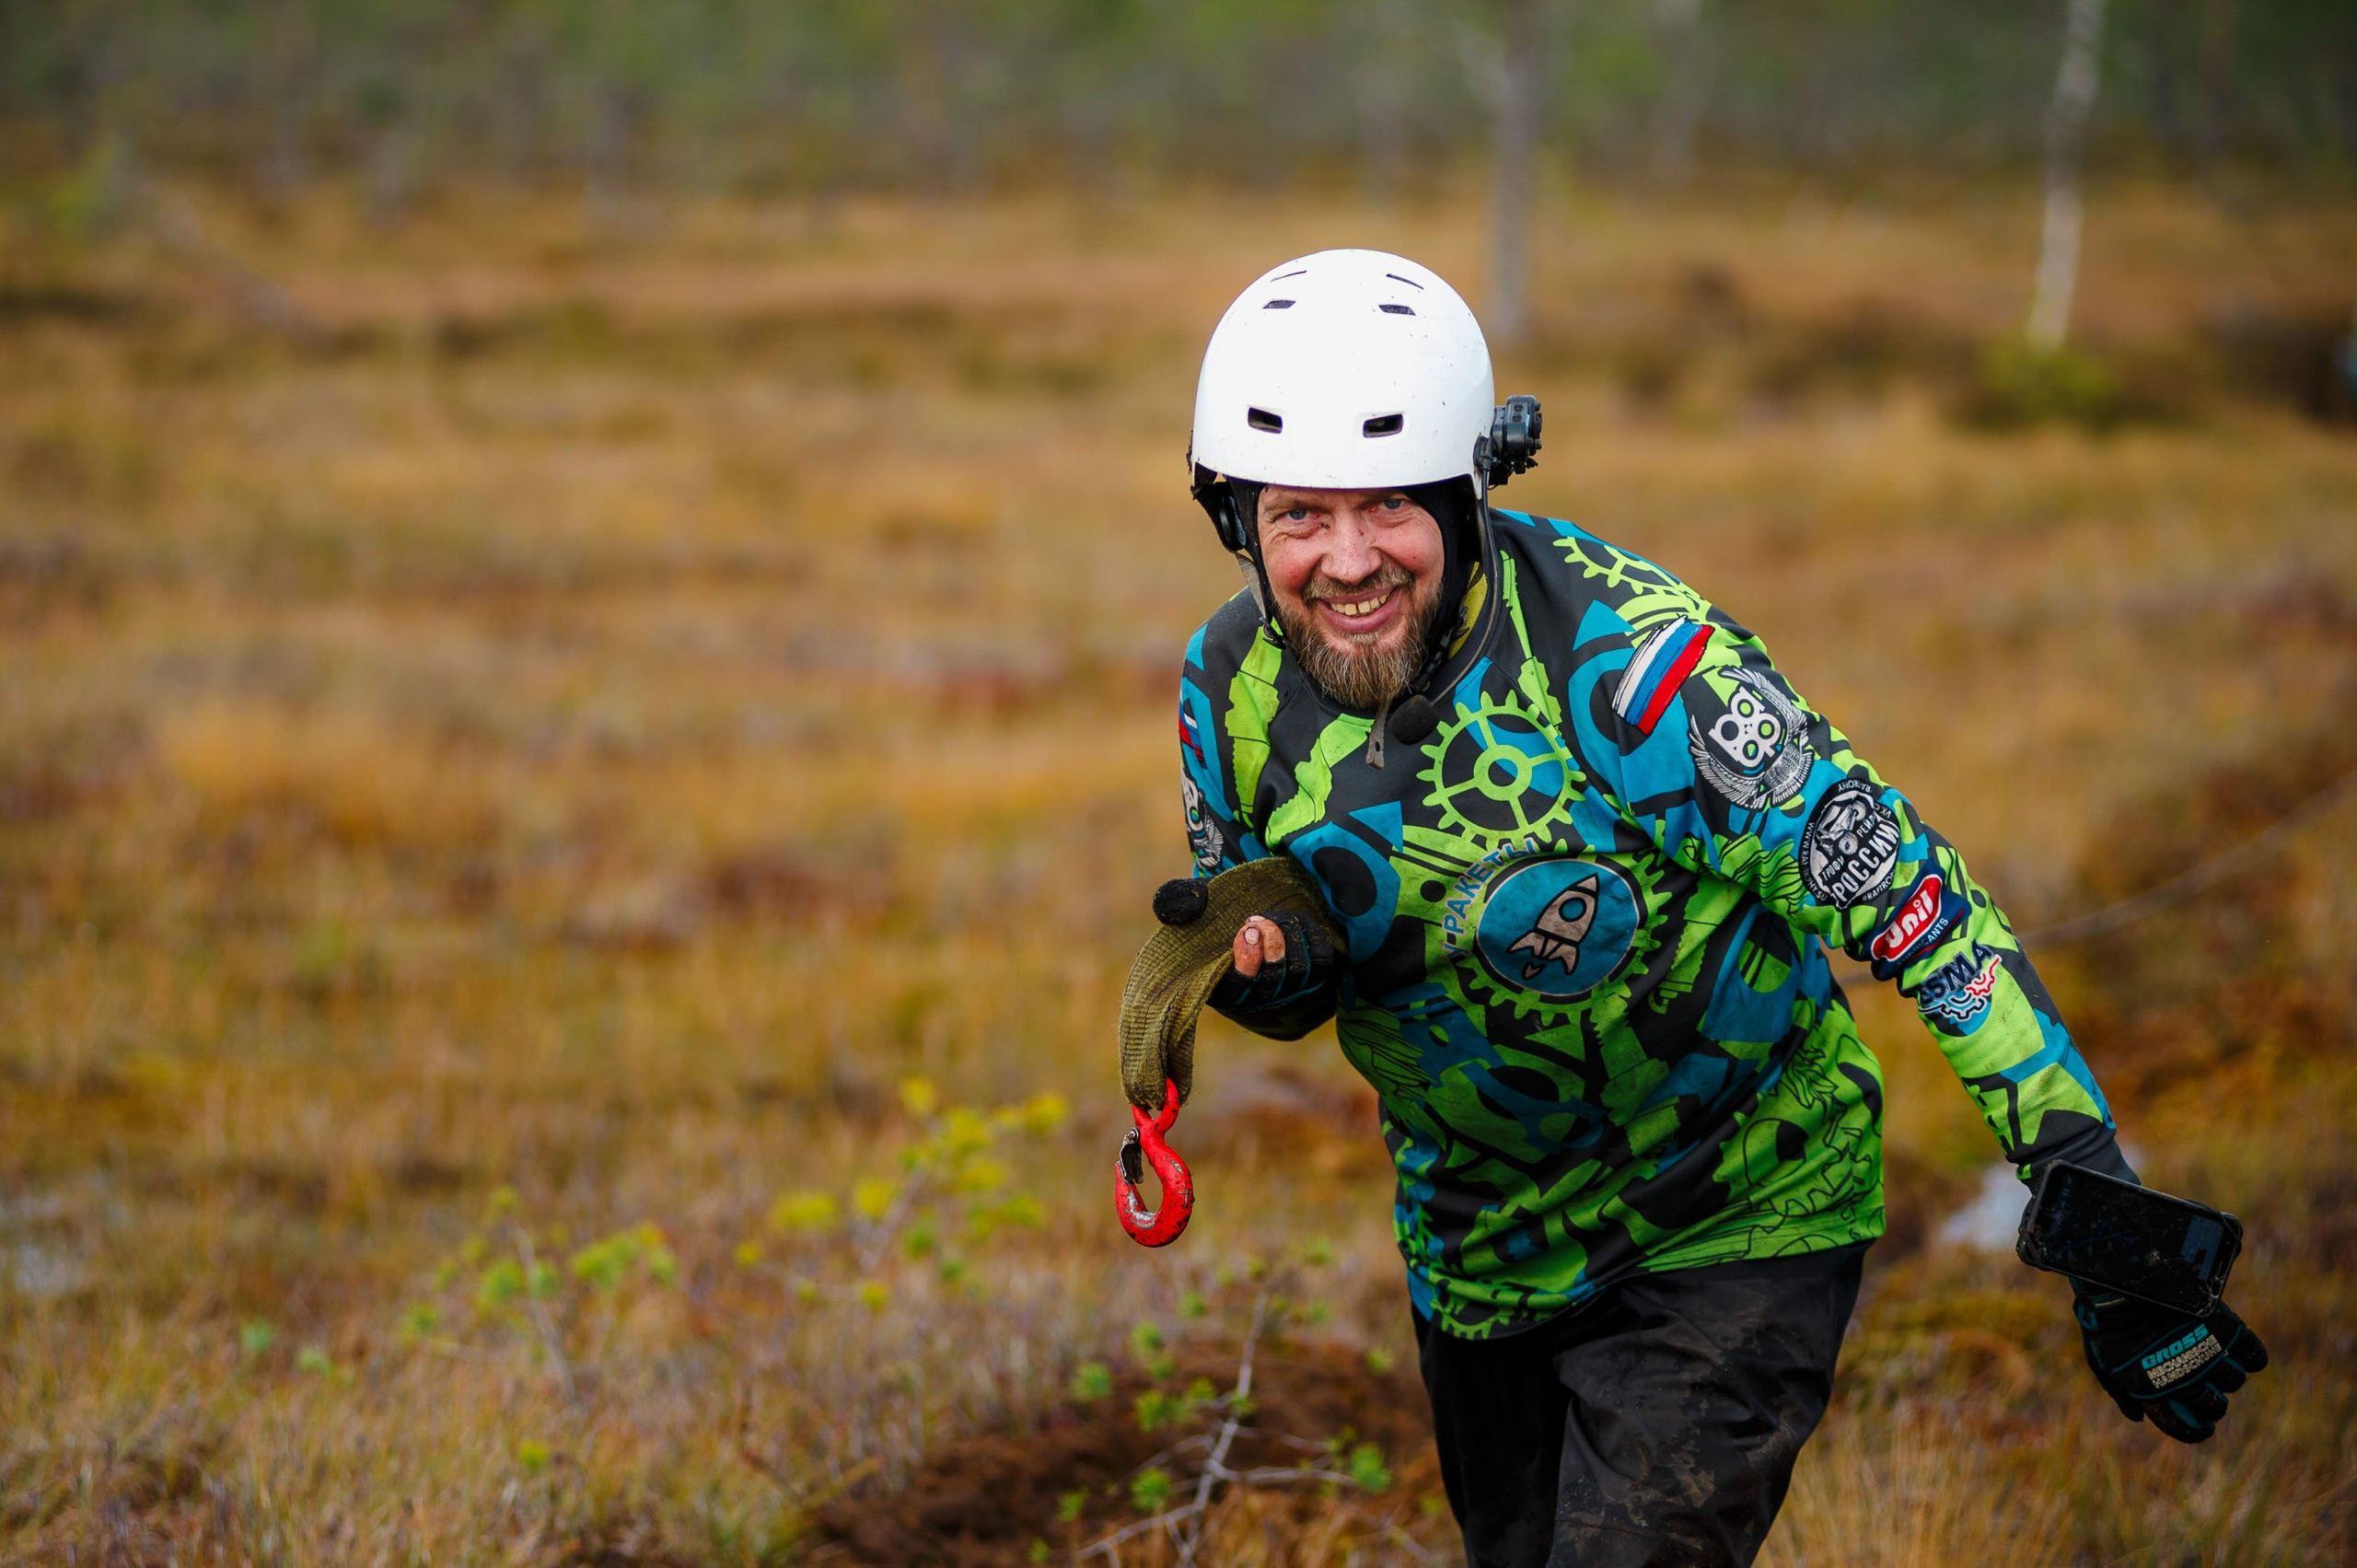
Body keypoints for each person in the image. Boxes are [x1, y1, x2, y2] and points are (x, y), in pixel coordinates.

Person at [1168, 250, 2267, 1568]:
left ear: (1469, 494)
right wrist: (1259, 966)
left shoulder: (1642, 672)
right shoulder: (1225, 690)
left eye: (1390, 508)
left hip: (1736, 1214)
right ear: (1236, 519)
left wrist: (2092, 1195)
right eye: (1299, 515)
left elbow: (1921, 906)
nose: (1349, 562)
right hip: (1478, 1250)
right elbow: (1298, 990)